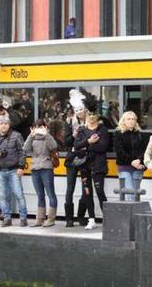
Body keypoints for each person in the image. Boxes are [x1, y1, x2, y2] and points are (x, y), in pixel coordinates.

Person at [0, 115, 28, 227]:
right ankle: (7, 218)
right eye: (1, 123)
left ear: (9, 125)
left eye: (6, 123)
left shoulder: (16, 135)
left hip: (14, 169)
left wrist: (21, 167)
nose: (3, 125)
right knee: (3, 196)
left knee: (19, 194)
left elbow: (22, 152)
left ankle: (23, 218)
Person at [74, 111, 109, 230]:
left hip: (98, 166)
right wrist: (89, 141)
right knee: (87, 193)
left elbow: (103, 147)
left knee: (100, 192)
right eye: (89, 115)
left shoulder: (102, 129)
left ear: (97, 116)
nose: (92, 117)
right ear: (86, 116)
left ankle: (108, 219)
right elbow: (76, 146)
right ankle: (92, 219)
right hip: (84, 166)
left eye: (94, 114)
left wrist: (88, 146)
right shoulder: (81, 130)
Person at [24, 119, 58, 227]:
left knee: (50, 194)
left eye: (40, 126)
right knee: (40, 195)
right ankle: (40, 219)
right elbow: (25, 149)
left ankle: (51, 219)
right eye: (36, 127)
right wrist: (30, 135)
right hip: (35, 169)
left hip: (46, 168)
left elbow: (54, 146)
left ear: (45, 127)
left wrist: (46, 134)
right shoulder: (32, 138)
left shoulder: (47, 137)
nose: (38, 129)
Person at [64, 89, 88, 227]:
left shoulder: (90, 122)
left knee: (86, 188)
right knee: (70, 188)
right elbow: (65, 143)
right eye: (77, 110)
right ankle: (69, 218)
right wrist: (73, 135)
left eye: (81, 109)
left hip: (85, 158)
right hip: (72, 159)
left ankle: (80, 216)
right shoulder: (69, 122)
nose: (79, 112)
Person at [114, 111, 148, 201]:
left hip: (138, 167)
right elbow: (119, 151)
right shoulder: (118, 134)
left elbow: (145, 150)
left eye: (133, 119)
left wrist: (139, 160)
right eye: (128, 119)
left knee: (136, 195)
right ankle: (131, 215)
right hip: (125, 168)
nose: (131, 121)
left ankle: (135, 214)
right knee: (130, 194)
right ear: (124, 121)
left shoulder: (139, 134)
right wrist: (132, 161)